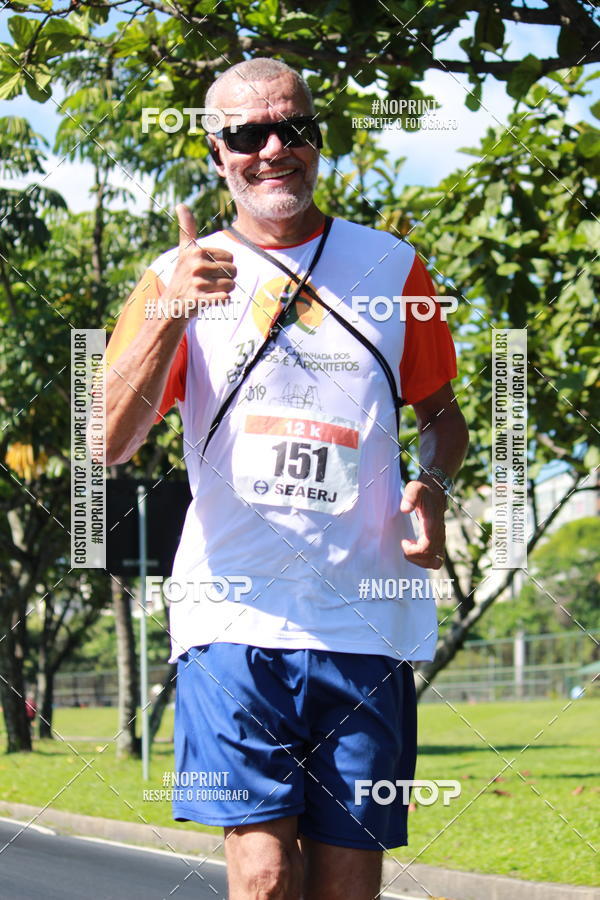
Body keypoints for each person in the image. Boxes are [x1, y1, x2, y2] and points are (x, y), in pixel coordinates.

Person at [105, 57, 468, 900]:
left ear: (317, 137)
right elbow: (110, 443)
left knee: (347, 888)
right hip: (231, 613)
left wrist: (433, 485)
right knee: (264, 879)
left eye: (293, 128)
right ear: (216, 150)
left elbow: (442, 416)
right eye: (247, 133)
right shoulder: (172, 277)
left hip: (363, 623)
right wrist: (170, 315)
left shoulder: (392, 268)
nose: (274, 148)